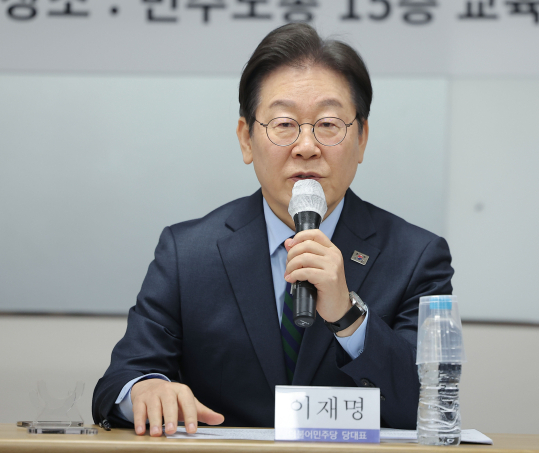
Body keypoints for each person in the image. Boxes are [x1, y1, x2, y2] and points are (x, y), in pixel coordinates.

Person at [92, 23, 453, 436]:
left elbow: (430, 407)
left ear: (362, 139)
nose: (306, 147)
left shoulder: (416, 257)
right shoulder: (187, 253)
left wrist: (349, 317)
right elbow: (118, 384)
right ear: (246, 139)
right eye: (284, 124)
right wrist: (145, 388)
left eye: (328, 124)